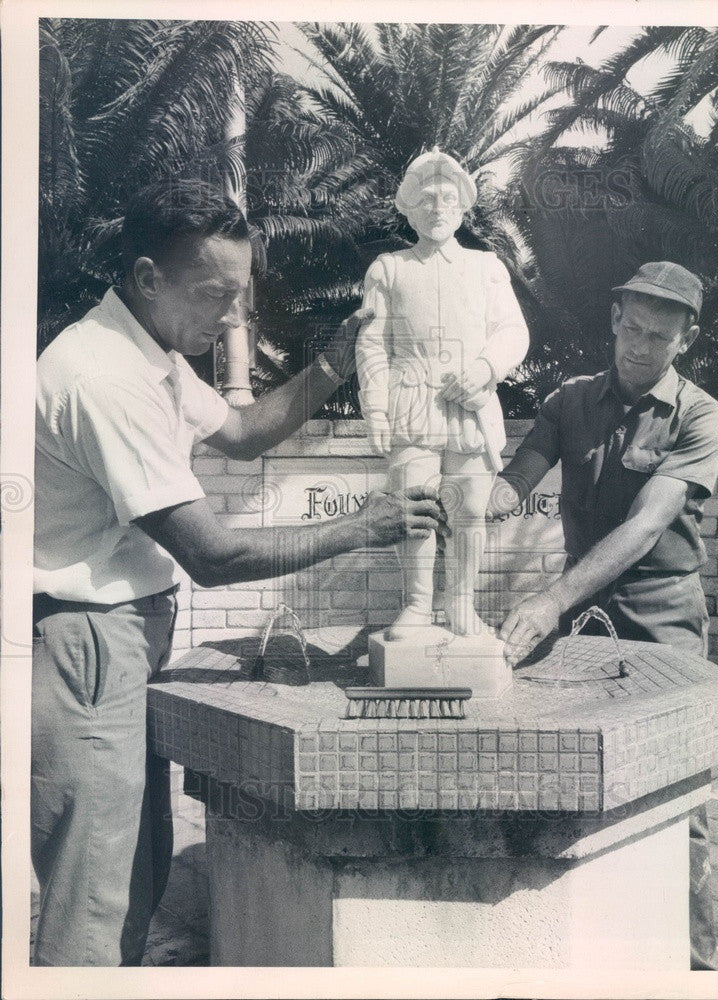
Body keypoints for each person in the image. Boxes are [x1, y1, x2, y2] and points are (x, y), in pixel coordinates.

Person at [32, 178, 446, 966]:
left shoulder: (148, 350)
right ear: (149, 276)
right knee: (90, 898)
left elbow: (246, 431)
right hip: (82, 644)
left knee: (131, 875)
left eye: (240, 294)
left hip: (118, 642)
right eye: (215, 294)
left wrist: (334, 360)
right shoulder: (102, 377)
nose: (230, 317)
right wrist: (366, 525)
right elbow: (214, 556)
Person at [494, 261, 718, 970]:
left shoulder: (701, 416)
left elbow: (643, 528)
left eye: (658, 337)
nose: (638, 346)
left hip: (661, 620)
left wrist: (548, 601)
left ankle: (698, 957)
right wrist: (478, 501)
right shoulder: (569, 401)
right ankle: (583, 941)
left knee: (675, 786)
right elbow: (519, 476)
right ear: (613, 319)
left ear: (683, 339)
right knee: (571, 771)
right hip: (579, 620)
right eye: (630, 328)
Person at [356, 148, 529, 639]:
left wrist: (485, 368)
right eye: (426, 199)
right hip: (412, 402)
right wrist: (375, 407)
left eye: (447, 198)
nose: (437, 208)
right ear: (408, 208)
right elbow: (372, 344)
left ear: (462, 207)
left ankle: (461, 605)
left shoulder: (486, 267)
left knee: (470, 508)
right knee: (415, 508)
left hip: (468, 404)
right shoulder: (388, 268)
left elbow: (513, 331)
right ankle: (414, 605)